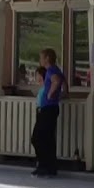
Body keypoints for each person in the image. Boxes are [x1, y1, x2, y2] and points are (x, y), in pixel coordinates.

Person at [32, 48, 64, 178]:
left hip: (48, 108)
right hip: (49, 107)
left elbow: (57, 81)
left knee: (38, 137)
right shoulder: (55, 70)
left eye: (41, 57)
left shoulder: (51, 70)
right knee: (47, 138)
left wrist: (51, 93)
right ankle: (49, 166)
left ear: (47, 58)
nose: (40, 60)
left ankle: (44, 165)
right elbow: (64, 84)